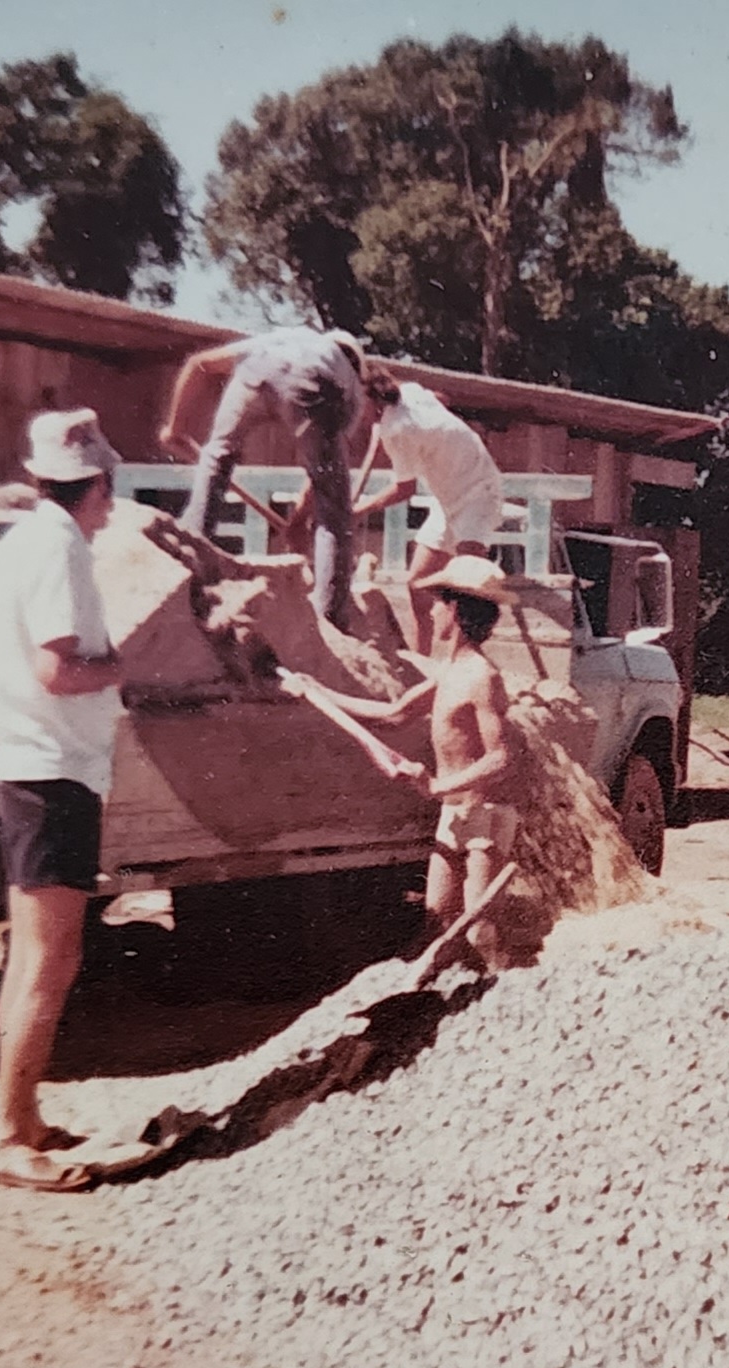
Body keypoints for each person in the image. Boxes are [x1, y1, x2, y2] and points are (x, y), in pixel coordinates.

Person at [0, 409, 125, 1191]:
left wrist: (2, 702)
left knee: (29, 956)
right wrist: (122, 665)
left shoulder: (20, 540)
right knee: (50, 962)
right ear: (97, 485)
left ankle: (19, 1117)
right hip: (56, 771)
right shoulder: (62, 548)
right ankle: (10, 1136)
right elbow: (60, 670)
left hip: (22, 762)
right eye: (108, 489)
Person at [281, 556, 522, 965]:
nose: (431, 611)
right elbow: (393, 714)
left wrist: (437, 786)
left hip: (485, 815)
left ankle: (504, 990)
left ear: (456, 609)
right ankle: (455, 991)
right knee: (437, 916)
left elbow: (502, 758)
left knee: (479, 927)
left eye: (438, 603)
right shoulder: (449, 671)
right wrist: (316, 689)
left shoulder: (483, 677)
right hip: (453, 815)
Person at [160, 326, 366, 628]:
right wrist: (299, 521)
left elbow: (198, 364)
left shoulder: (287, 336)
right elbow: (322, 478)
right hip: (315, 385)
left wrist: (175, 428)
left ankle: (189, 557)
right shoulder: (350, 385)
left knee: (217, 456)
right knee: (335, 513)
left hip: (256, 371)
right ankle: (330, 618)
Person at [349, 364, 508, 587]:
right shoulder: (409, 392)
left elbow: (405, 489)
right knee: (419, 584)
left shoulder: (396, 430)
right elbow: (442, 399)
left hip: (479, 493)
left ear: (370, 397)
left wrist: (358, 511)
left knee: (470, 584)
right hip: (448, 501)